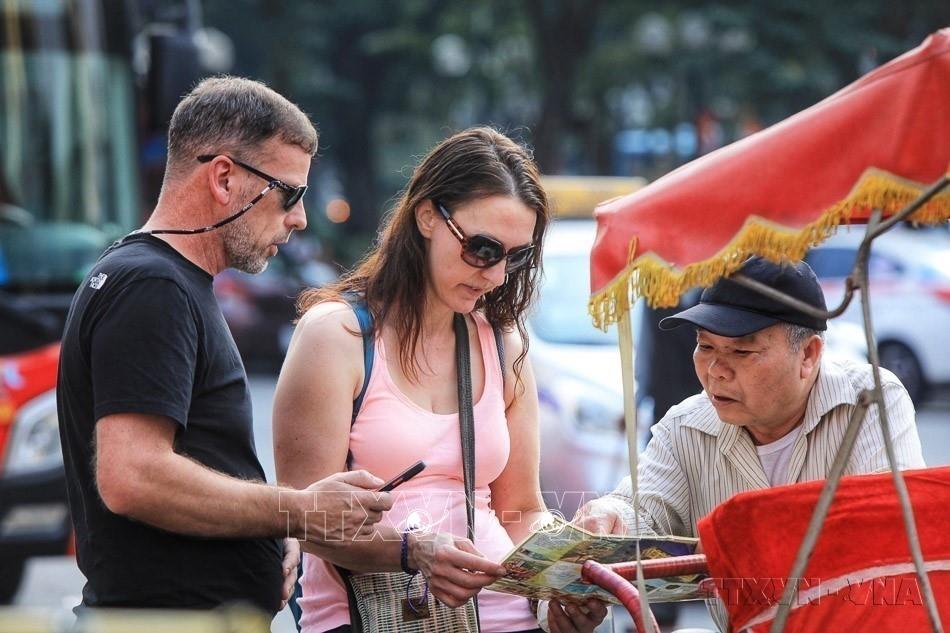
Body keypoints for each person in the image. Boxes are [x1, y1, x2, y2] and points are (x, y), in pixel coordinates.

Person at [56, 76, 392, 615]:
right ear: (224, 177)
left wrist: (272, 528)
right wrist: (299, 511)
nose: (300, 218)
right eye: (290, 193)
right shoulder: (153, 285)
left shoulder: (156, 278)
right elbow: (132, 477)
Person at [273, 127, 607, 633]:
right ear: (427, 216)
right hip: (371, 616)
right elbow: (303, 519)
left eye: (515, 256)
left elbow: (521, 510)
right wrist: (411, 552)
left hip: (505, 615)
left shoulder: (503, 343)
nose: (496, 275)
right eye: (483, 248)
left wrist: (561, 583)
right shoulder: (337, 336)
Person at [575, 256, 926, 539]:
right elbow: (642, 511)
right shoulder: (684, 429)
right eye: (705, 346)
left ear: (808, 354)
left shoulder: (869, 401)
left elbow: (891, 523)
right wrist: (609, 516)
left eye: (741, 352)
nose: (716, 371)